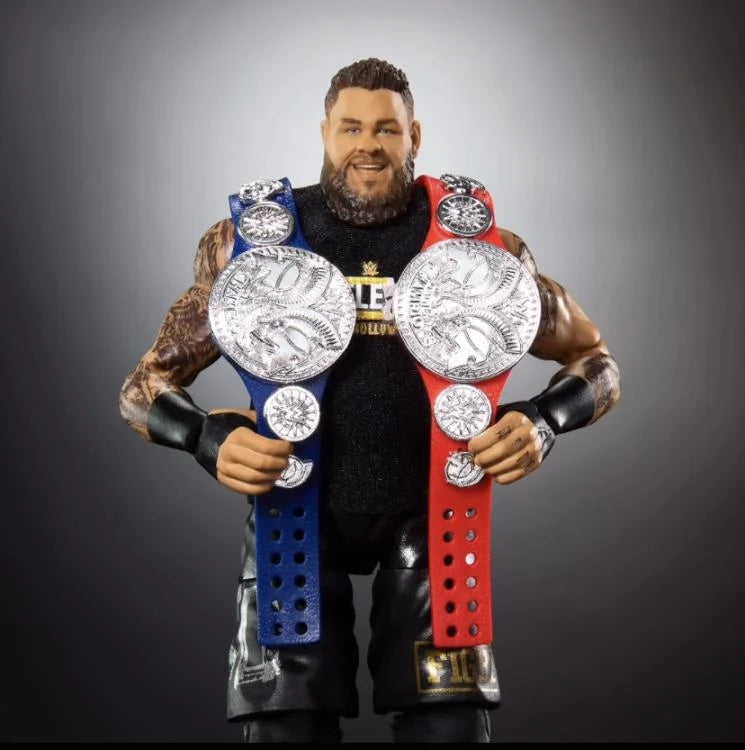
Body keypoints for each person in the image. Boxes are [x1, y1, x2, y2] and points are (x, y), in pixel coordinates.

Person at [119, 58, 620, 743]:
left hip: (433, 515)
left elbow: (597, 362)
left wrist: (543, 420)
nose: (369, 145)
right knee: (285, 730)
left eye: (387, 129)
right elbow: (142, 388)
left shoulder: (481, 248)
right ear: (324, 132)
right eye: (351, 127)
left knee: (449, 730)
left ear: (415, 136)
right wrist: (207, 438)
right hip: (295, 515)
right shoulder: (248, 242)